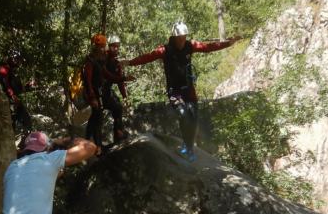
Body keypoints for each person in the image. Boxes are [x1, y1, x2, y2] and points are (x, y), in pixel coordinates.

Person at [125, 21, 241, 161]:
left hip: (189, 89)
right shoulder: (165, 50)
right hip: (175, 91)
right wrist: (129, 62)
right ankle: (187, 147)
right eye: (180, 37)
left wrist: (229, 43)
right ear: (174, 37)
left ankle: (188, 148)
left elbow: (208, 47)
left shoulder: (189, 46)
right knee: (182, 114)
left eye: (184, 37)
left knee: (193, 118)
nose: (182, 40)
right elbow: (147, 57)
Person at [101, 34, 133, 145]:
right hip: (98, 90)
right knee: (116, 107)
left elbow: (119, 82)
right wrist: (124, 78)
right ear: (108, 46)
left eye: (117, 46)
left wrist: (125, 96)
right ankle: (117, 133)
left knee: (118, 106)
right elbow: (108, 75)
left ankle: (118, 133)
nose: (116, 48)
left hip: (106, 90)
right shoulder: (103, 59)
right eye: (113, 46)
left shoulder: (116, 63)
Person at [0, 50, 34, 133]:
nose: (18, 63)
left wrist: (27, 86)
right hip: (6, 98)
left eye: (19, 61)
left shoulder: (12, 71)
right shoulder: (5, 68)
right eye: (17, 60)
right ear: (12, 59)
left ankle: (24, 134)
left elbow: (17, 88)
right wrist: (12, 96)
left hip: (11, 98)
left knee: (23, 117)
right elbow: (4, 82)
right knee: (20, 118)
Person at [83, 34, 109, 150]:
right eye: (101, 46)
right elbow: (88, 80)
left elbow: (105, 74)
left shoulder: (99, 59)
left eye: (104, 46)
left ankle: (88, 140)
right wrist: (92, 97)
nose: (103, 48)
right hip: (92, 93)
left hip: (97, 92)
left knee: (95, 116)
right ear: (96, 47)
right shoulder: (90, 61)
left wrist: (122, 78)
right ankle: (97, 145)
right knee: (97, 117)